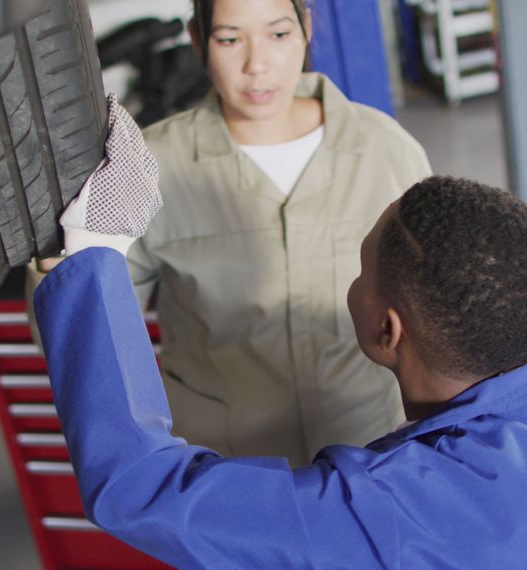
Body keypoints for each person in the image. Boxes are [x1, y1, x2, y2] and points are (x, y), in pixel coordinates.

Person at [32, 97, 527, 569]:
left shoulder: (394, 515)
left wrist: (95, 253)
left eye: (359, 271)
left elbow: (139, 490)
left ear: (388, 330)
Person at [27, 0, 432, 466]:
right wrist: (64, 254)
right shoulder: (145, 167)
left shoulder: (387, 150)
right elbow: (83, 333)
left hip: (367, 453)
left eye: (278, 35)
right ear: (198, 41)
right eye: (230, 39)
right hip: (226, 467)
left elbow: (430, 312)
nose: (257, 65)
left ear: (306, 29)